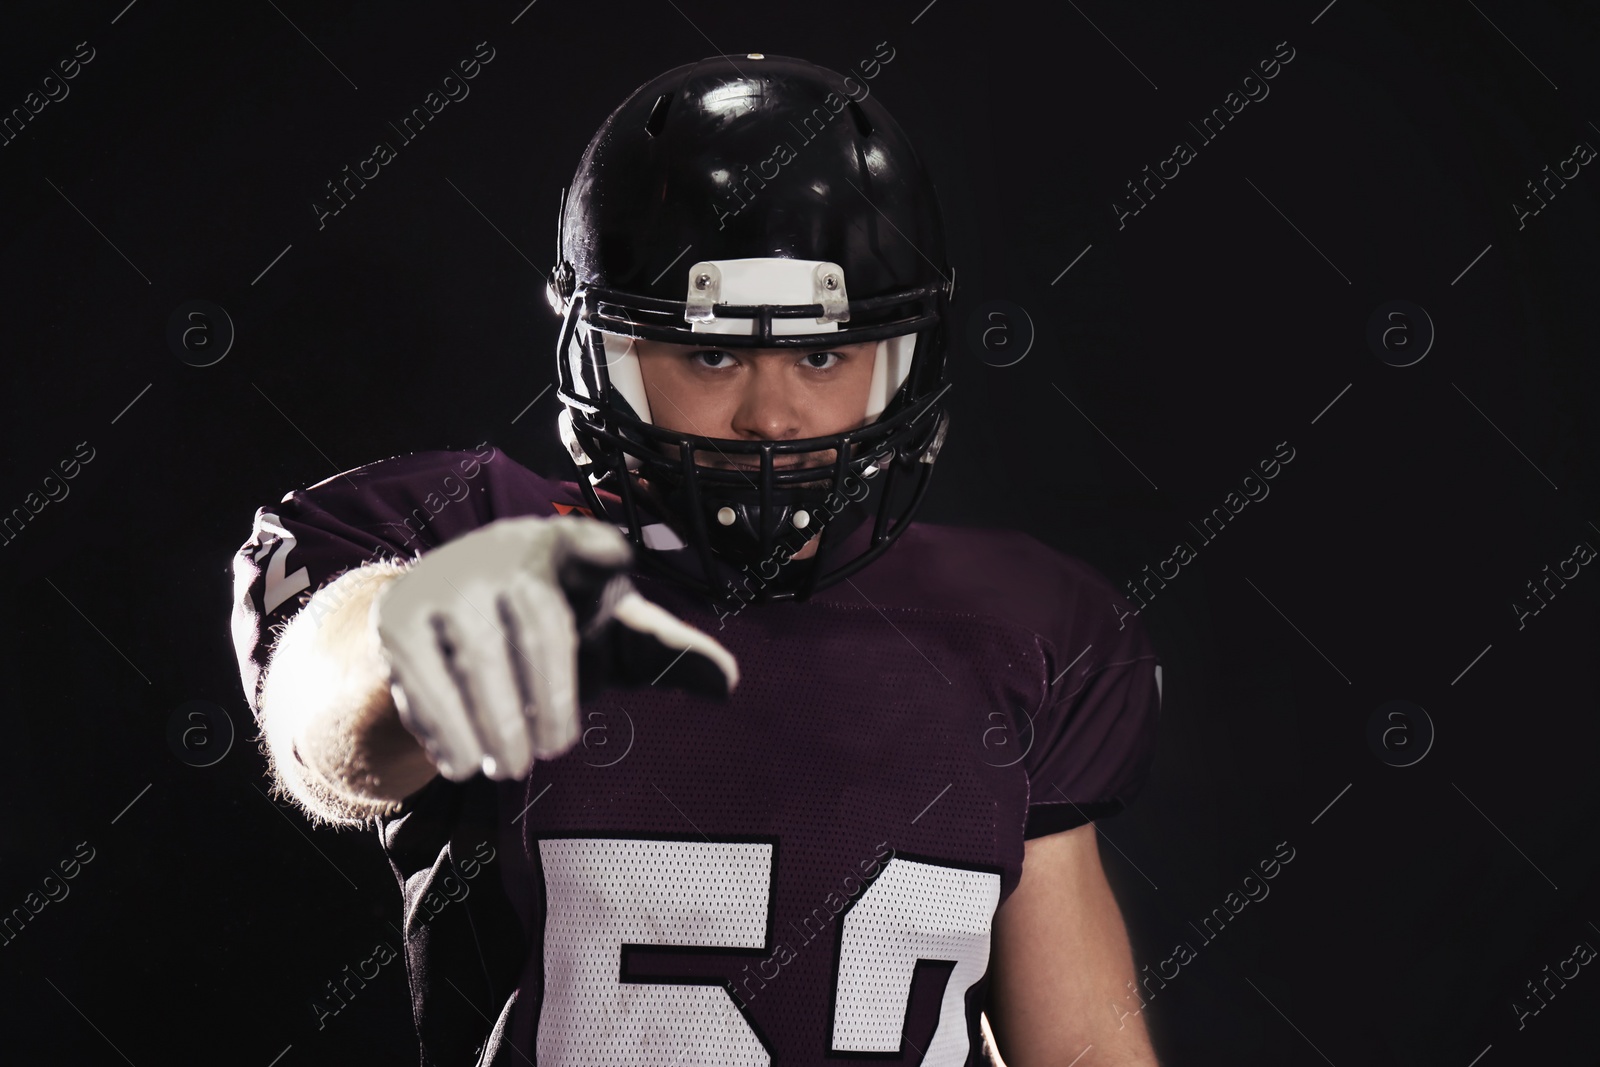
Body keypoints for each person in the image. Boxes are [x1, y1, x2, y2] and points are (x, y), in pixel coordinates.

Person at [229, 52, 1163, 1066]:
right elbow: (324, 732)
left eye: (821, 354)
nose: (770, 417)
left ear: (903, 362)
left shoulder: (1023, 624)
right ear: (607, 351)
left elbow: (1082, 1051)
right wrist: (409, 638)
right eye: (710, 353)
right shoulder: (467, 533)